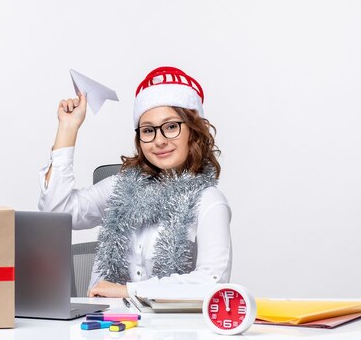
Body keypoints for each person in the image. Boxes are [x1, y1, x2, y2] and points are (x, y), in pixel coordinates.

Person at [38, 66, 232, 298]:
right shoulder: (120, 188)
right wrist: (67, 129)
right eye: (148, 130)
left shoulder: (208, 201)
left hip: (169, 329)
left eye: (171, 127)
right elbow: (56, 212)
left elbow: (213, 281)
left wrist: (128, 291)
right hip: (105, 325)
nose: (159, 140)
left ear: (193, 131)